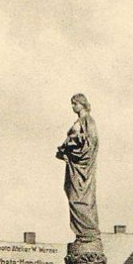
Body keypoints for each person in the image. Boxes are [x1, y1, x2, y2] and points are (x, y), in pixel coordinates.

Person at [56, 93, 101, 244]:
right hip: (74, 166)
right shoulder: (80, 121)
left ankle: (88, 233)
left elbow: (90, 143)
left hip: (82, 167)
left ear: (82, 103)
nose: (73, 106)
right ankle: (82, 234)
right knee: (72, 195)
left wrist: (71, 145)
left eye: (75, 103)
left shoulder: (89, 121)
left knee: (80, 197)